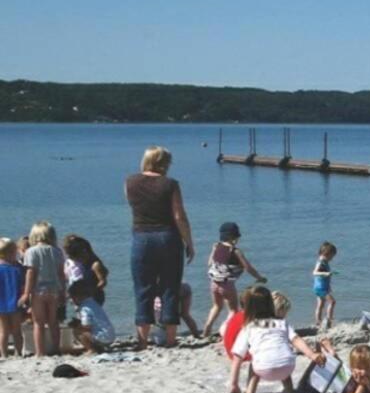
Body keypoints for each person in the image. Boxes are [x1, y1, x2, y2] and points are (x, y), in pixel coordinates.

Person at [125, 146, 194, 349]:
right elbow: (179, 216)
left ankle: (142, 340)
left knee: (143, 288)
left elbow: (134, 206)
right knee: (170, 287)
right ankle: (171, 339)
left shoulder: (130, 181)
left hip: (141, 237)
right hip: (167, 237)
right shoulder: (170, 184)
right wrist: (189, 241)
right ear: (163, 163)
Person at [230, 287, 323, 393]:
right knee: (283, 355)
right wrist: (311, 354)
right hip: (287, 368)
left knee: (254, 365)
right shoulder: (281, 323)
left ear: (248, 309)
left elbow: (237, 357)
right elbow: (296, 339)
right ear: (271, 304)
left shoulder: (249, 327)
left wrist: (234, 384)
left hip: (263, 369)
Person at [203, 222, 266, 337]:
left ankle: (207, 327)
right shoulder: (235, 251)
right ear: (234, 236)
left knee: (216, 306)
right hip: (227, 285)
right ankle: (226, 332)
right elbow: (248, 268)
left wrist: (213, 251)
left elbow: (209, 263)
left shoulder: (216, 246)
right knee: (233, 311)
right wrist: (259, 278)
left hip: (214, 283)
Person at [20, 221, 66, 356]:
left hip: (37, 291)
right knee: (53, 322)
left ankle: (40, 352)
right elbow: (61, 274)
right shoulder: (57, 251)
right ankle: (56, 349)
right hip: (53, 290)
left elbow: (31, 273)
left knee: (38, 323)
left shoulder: (30, 251)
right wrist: (63, 291)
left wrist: (26, 293)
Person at [67, 279, 115, 353]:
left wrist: (76, 325)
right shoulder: (93, 303)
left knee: (78, 332)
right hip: (109, 335)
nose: (71, 301)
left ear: (78, 297)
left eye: (72, 298)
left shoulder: (85, 308)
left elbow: (87, 326)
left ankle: (91, 349)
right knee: (84, 330)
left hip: (103, 337)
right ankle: (98, 348)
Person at [62, 235, 108, 306]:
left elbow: (103, 282)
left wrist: (89, 293)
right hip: (81, 297)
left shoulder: (95, 264)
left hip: (95, 297)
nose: (75, 261)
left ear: (83, 252)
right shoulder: (81, 264)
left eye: (75, 258)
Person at [0, 238, 25, 358]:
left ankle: (4, 354)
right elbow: (23, 285)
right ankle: (18, 352)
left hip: (1, 303)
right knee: (16, 330)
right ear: (11, 253)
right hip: (15, 302)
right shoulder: (17, 268)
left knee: (3, 331)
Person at [312, 241, 338, 329]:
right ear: (328, 253)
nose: (332, 258)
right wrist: (326, 274)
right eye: (332, 256)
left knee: (320, 304)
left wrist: (329, 286)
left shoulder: (324, 262)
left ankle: (318, 322)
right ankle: (329, 320)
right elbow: (315, 272)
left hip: (321, 287)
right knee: (332, 302)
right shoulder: (321, 261)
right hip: (320, 288)